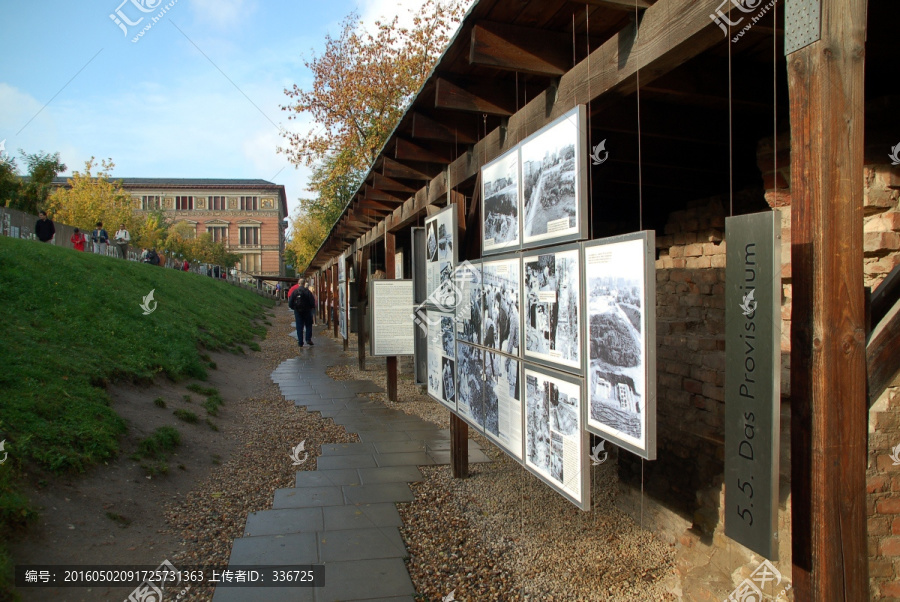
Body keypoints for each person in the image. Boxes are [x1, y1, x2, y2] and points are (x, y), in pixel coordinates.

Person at [288, 278, 317, 347]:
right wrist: (310, 308)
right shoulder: (307, 292)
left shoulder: (295, 292)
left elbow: (290, 303)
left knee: (299, 326)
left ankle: (300, 342)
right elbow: (312, 302)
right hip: (307, 311)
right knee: (308, 325)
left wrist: (294, 308)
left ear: (298, 283)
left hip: (298, 311)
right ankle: (308, 339)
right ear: (304, 284)